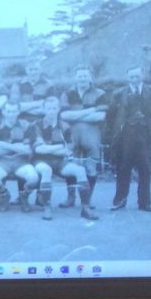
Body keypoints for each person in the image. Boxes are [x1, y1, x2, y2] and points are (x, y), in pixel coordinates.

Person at [60, 66, 106, 211]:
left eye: (85, 76)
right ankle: (70, 197)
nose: (82, 79)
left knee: (91, 167)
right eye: (80, 76)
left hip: (92, 134)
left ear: (90, 77)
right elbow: (64, 115)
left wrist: (76, 115)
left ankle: (88, 199)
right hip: (72, 134)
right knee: (71, 166)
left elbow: (100, 116)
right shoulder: (67, 93)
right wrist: (89, 111)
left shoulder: (100, 93)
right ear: (76, 78)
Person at [108, 66, 151, 211]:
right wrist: (115, 133)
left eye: (137, 76)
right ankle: (120, 200)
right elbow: (111, 116)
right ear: (128, 78)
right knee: (123, 167)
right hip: (126, 135)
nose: (135, 80)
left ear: (142, 76)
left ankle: (145, 202)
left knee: (145, 168)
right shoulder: (118, 94)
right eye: (132, 77)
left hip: (146, 134)